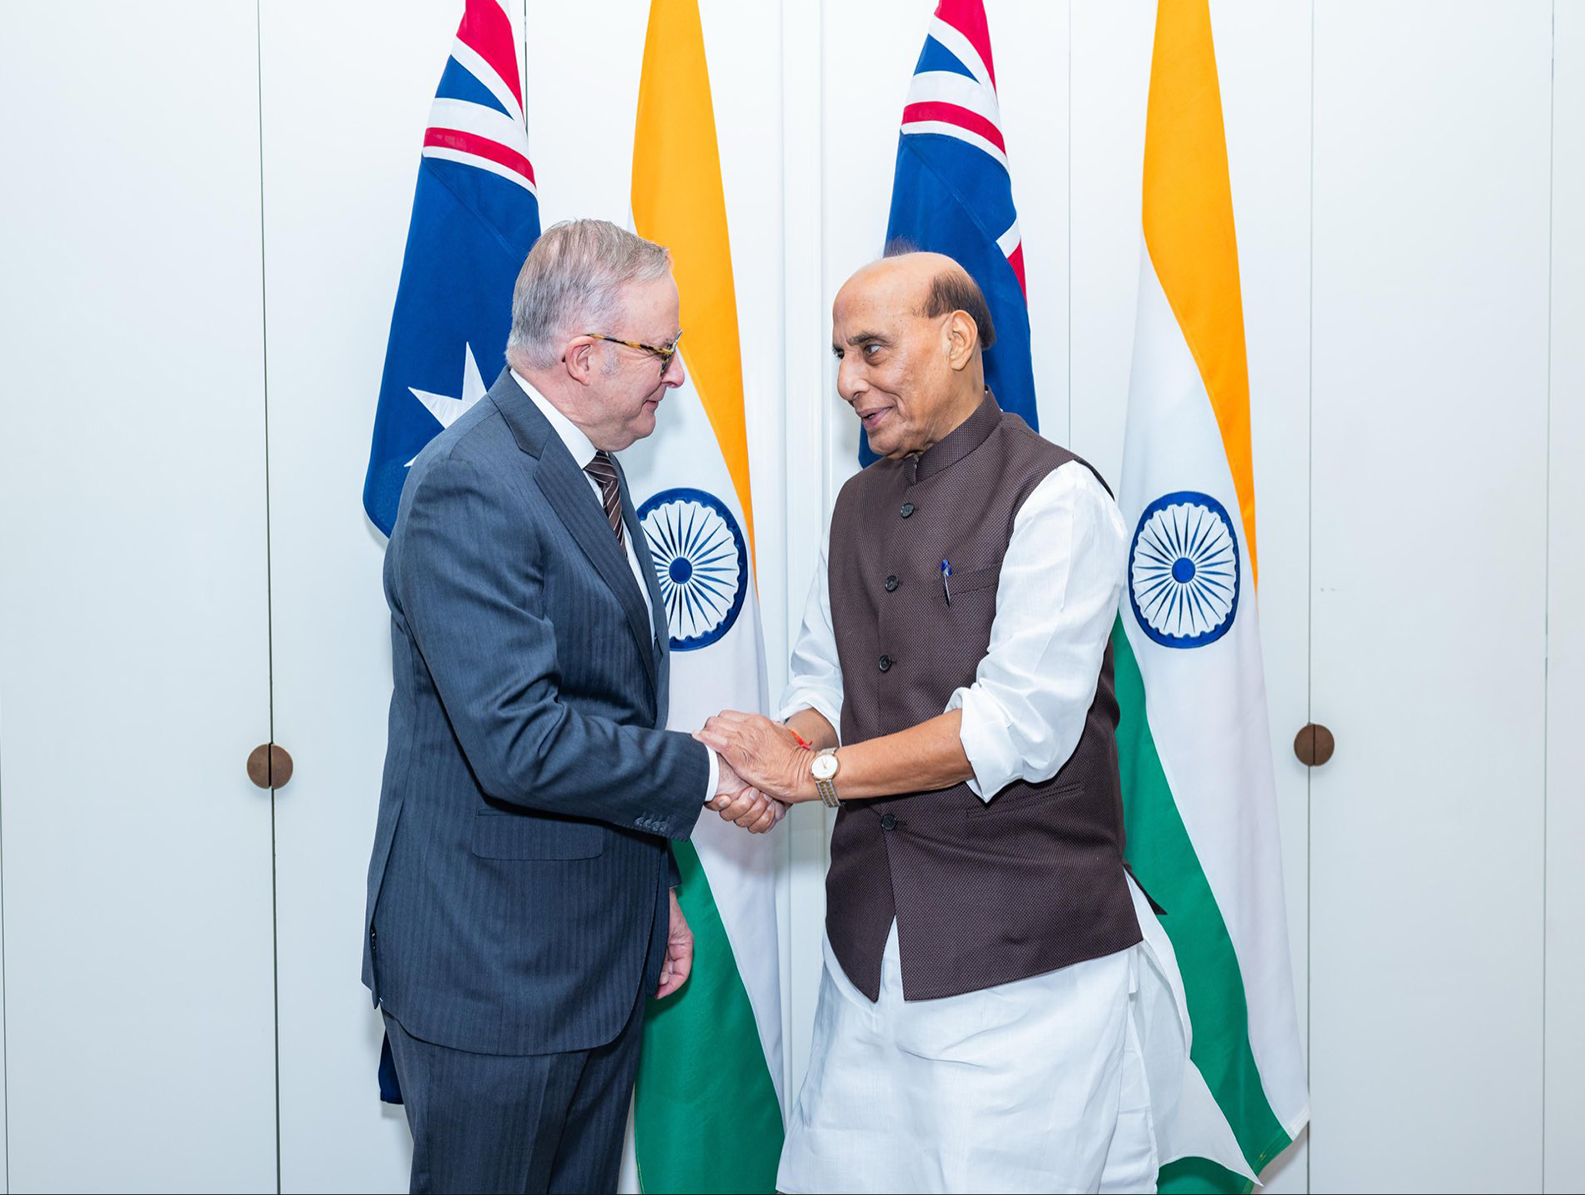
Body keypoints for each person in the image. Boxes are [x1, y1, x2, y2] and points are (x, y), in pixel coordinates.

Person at [700, 252, 1162, 1193]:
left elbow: (1017, 727)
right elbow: (820, 682)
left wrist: (811, 780)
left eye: (871, 348)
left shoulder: (1060, 497)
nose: (846, 381)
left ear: (957, 340)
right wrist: (779, 753)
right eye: (838, 354)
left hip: (1022, 968)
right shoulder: (855, 503)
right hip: (866, 956)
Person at [362, 219, 777, 1195]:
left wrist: (650, 893)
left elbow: (606, 698)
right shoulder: (471, 485)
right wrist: (711, 775)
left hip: (588, 959)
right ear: (583, 355)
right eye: (664, 351)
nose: (675, 377)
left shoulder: (586, 468)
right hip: (494, 977)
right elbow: (521, 742)